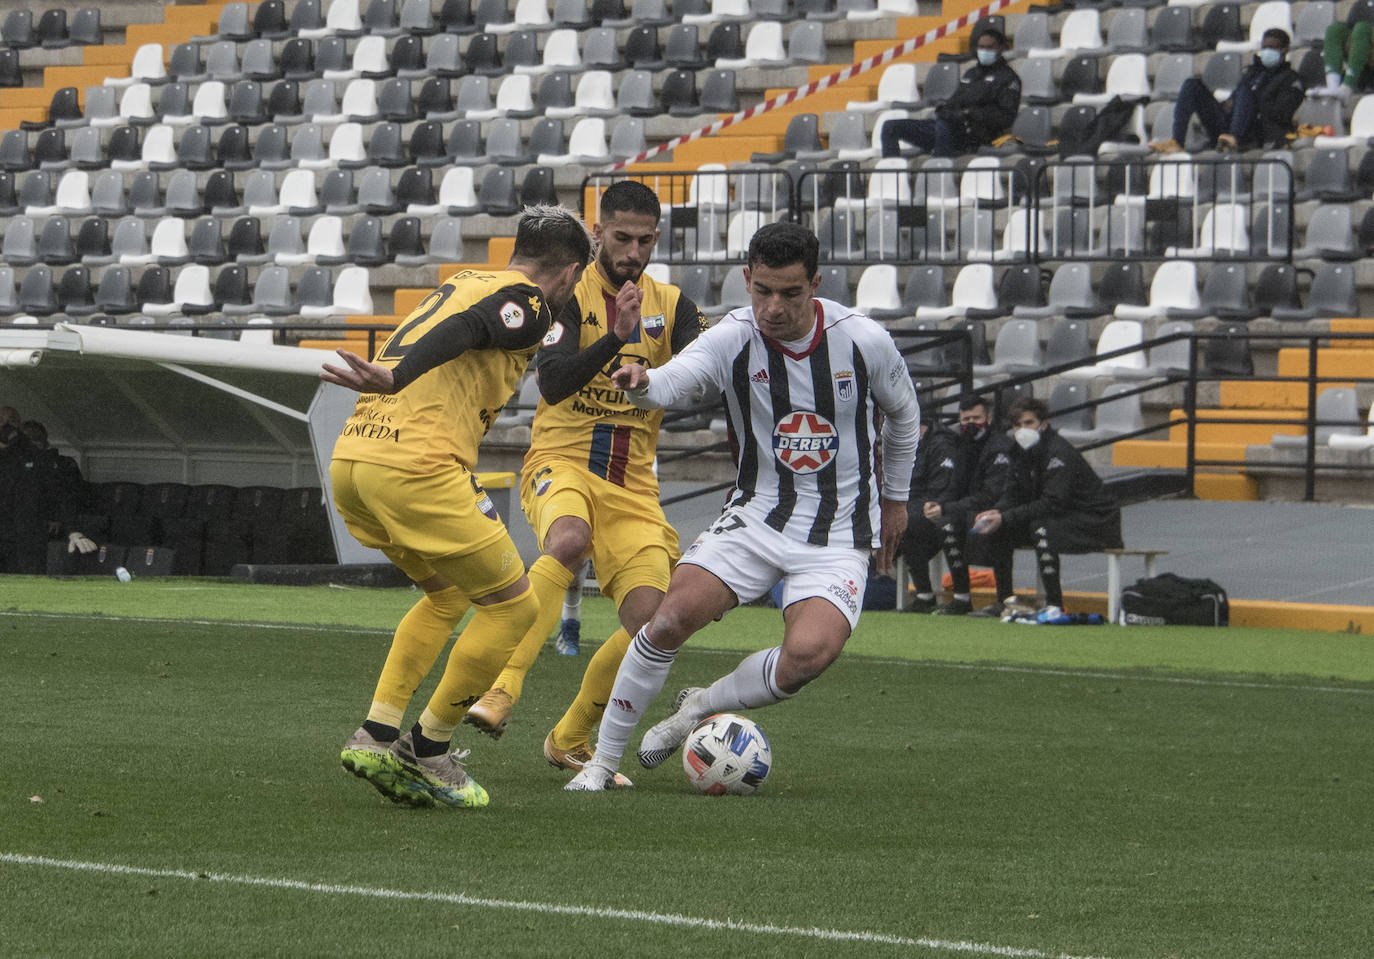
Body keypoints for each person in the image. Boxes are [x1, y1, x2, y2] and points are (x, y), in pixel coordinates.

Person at [564, 221, 920, 791]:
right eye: (763, 291)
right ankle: (602, 765)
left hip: (837, 533)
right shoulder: (734, 335)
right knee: (668, 620)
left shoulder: (864, 340)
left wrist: (896, 500)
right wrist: (640, 382)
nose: (773, 307)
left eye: (790, 293)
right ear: (747, 279)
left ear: (816, 284)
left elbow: (905, 415)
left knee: (808, 656)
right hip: (756, 516)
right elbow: (675, 379)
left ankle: (699, 706)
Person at [319, 205, 592, 810]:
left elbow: (466, 319)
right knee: (515, 609)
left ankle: (377, 735)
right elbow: (472, 328)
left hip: (355, 462)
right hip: (419, 469)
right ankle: (428, 748)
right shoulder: (529, 301)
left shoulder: (465, 278)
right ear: (570, 274)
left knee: (446, 596)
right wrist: (397, 377)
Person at [458, 181, 708, 782]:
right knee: (567, 541)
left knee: (656, 625)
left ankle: (569, 739)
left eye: (645, 239)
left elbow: (716, 373)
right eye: (621, 237)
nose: (633, 250)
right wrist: (617, 341)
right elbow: (554, 382)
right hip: (561, 462)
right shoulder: (567, 294)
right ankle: (502, 688)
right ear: (598, 233)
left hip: (634, 489)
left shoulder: (673, 306)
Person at [970, 396, 1122, 619]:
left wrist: (1006, 516)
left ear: (1044, 423)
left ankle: (1055, 604)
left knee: (1041, 527)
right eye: (1018, 425)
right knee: (1000, 528)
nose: (1023, 430)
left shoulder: (1058, 452)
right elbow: (1012, 493)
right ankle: (1005, 601)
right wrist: (998, 512)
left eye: (1029, 423)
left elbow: (1053, 502)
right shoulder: (1019, 452)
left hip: (1094, 520)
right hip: (1061, 517)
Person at [899, 393, 1012, 616]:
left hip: (995, 510)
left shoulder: (1000, 446)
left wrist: (947, 508)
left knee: (949, 522)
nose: (970, 424)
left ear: (988, 417)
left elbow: (990, 494)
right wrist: (938, 504)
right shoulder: (963, 446)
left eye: (976, 418)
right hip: (966, 509)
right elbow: (954, 485)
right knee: (908, 521)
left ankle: (964, 597)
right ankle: (924, 595)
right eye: (965, 419)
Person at [1150, 28, 1304, 154]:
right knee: (1192, 85)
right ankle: (1177, 141)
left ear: (1284, 51)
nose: (1266, 51)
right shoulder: (1252, 72)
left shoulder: (1290, 79)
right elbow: (1238, 96)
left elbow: (1281, 114)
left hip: (1255, 132)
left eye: (1272, 48)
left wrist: (1253, 99)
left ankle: (1233, 139)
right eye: (1264, 47)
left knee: (1245, 91)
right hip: (1228, 123)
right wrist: (1231, 102)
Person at [880, 29, 1020, 159]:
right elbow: (956, 100)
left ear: (1000, 48)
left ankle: (940, 172)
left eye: (989, 47)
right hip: (950, 127)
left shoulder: (1008, 78)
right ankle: (890, 176)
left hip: (976, 135)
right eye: (981, 47)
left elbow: (1006, 117)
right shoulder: (972, 74)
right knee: (891, 127)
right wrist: (945, 109)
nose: (984, 51)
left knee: (943, 125)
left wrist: (970, 113)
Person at [1310, 18, 1373, 103]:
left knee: (1362, 29)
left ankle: (1347, 88)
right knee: (1335, 30)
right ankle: (1333, 87)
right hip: (1364, 72)